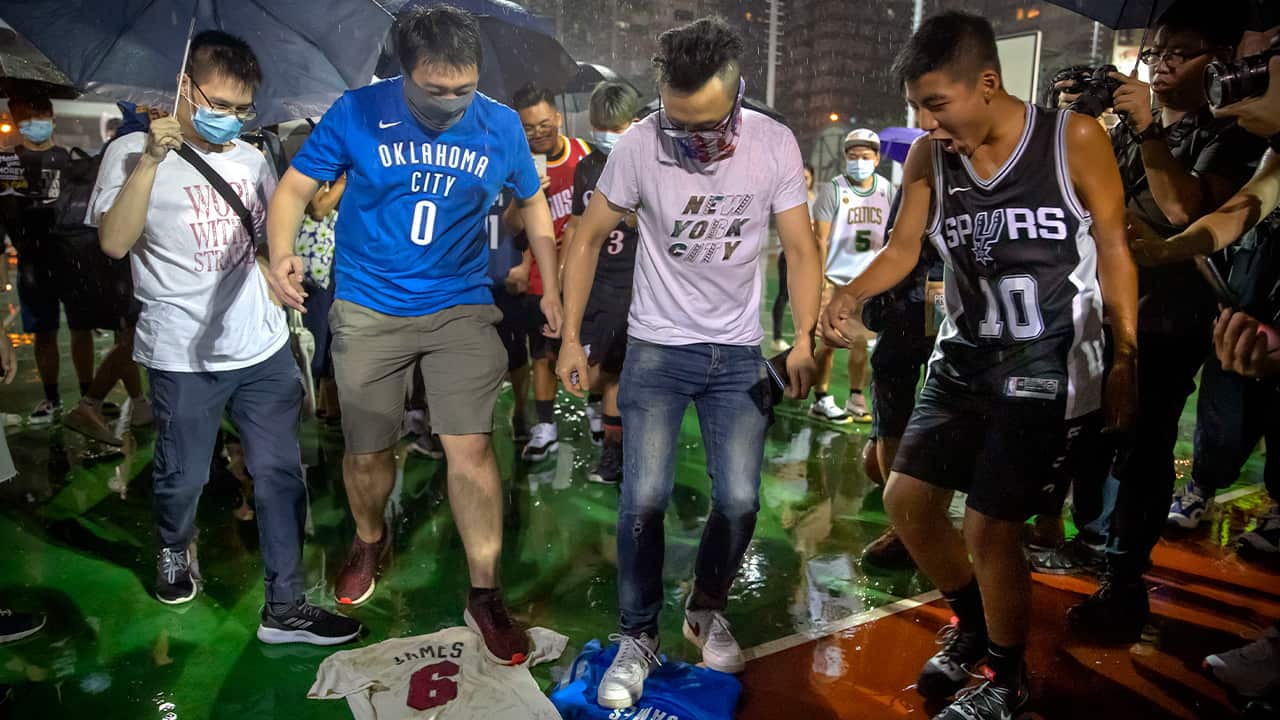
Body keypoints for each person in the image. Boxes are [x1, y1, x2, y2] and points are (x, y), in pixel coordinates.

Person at [822, 12, 1137, 719]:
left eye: (936, 104)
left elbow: (1115, 247)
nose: (927, 123)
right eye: (917, 109)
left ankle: (1008, 675)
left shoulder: (1072, 139)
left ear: (987, 84)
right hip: (965, 355)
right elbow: (905, 249)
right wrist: (849, 291)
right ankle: (972, 628)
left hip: (1047, 361)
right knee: (906, 502)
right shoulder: (933, 159)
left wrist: (1125, 353)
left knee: (989, 528)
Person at [266, 6, 561, 663]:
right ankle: (370, 537)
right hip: (369, 305)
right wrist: (281, 250)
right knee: (369, 451)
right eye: (435, 90)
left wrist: (554, 285)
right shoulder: (356, 111)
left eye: (463, 88)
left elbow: (534, 199)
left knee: (472, 449)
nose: (451, 102)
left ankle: (485, 593)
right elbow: (292, 189)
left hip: (459, 305)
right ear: (403, 72)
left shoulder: (500, 124)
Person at [557, 17, 820, 708]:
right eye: (677, 120)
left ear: (737, 99)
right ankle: (637, 636)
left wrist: (805, 336)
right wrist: (568, 340)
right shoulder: (642, 144)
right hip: (655, 349)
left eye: (705, 123)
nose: (690, 138)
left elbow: (799, 246)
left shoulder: (774, 143)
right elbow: (585, 239)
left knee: (737, 502)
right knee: (641, 500)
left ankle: (704, 607)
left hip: (737, 354)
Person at [90, 30, 360, 645]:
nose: (233, 121)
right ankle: (172, 545)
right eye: (222, 105)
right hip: (183, 353)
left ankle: (286, 606)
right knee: (182, 477)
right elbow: (113, 241)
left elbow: (267, 235)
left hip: (260, 344)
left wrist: (281, 263)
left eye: (244, 110)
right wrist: (152, 162)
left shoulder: (249, 156)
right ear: (185, 88)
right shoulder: (130, 151)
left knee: (279, 472)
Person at [1067, 0, 1266, 639]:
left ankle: (1125, 585)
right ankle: (1094, 544)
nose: (1161, 62)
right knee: (1088, 434)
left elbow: (1186, 209)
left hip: (1169, 320)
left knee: (1144, 442)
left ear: (1223, 59)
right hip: (1098, 306)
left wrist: (1151, 129)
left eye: (1181, 51)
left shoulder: (1233, 132)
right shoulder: (1120, 127)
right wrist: (1078, 122)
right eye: (1155, 50)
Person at [557, 81, 641, 486]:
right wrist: (561, 277)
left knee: (615, 375)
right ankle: (614, 433)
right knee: (590, 376)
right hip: (595, 284)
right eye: (600, 126)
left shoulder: (646, 163)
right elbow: (575, 227)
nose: (606, 134)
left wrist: (635, 215)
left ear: (634, 124)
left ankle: (615, 454)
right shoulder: (588, 167)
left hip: (634, 287)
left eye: (616, 126)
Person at [506, 85, 592, 461]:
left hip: (583, 273)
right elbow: (510, 227)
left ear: (558, 118)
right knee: (540, 352)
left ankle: (598, 414)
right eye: (528, 127)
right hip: (540, 276)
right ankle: (545, 427)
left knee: (590, 347)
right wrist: (523, 197)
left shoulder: (585, 155)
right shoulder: (518, 163)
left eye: (544, 124)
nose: (538, 132)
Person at [0, 95, 96, 425]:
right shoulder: (6, 164)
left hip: (72, 260)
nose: (35, 124)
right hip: (32, 265)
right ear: (16, 121)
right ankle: (51, 398)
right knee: (44, 333)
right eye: (26, 118)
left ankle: (89, 397)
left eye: (40, 116)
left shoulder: (71, 162)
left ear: (52, 119)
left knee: (82, 329)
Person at [859, 190, 942, 570]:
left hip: (960, 298)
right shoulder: (924, 161)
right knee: (888, 422)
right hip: (908, 300)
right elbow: (896, 242)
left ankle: (926, 521)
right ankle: (906, 527)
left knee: (947, 406)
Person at [809, 129, 893, 424]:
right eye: (853, 157)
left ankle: (856, 396)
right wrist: (819, 282)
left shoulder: (887, 190)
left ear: (877, 158)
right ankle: (821, 397)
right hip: (836, 279)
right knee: (828, 343)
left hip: (868, 282)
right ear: (845, 158)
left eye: (865, 157)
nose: (859, 162)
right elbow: (819, 238)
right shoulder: (834, 189)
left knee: (862, 343)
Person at [770, 164, 814, 353]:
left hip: (810, 258)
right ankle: (777, 337)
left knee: (807, 298)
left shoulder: (815, 200)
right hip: (789, 256)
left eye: (807, 177)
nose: (804, 181)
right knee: (784, 295)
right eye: (800, 177)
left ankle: (803, 339)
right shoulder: (788, 199)